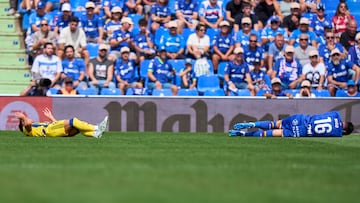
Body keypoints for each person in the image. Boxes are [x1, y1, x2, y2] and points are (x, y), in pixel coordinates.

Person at [229, 111, 354, 137]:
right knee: (268, 134)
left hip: (301, 119)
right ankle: (244, 135)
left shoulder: (336, 114)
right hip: (302, 132)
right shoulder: (338, 133)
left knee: (274, 124)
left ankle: (252, 124)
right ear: (344, 131)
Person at [16, 108, 108, 138]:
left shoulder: (36, 126)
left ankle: (95, 134)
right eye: (27, 118)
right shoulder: (26, 129)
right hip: (49, 131)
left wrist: (51, 117)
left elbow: (56, 125)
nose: (29, 119)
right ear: (23, 124)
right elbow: (27, 124)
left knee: (78, 127)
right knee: (74, 121)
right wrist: (23, 117)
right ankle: (96, 128)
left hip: (52, 130)